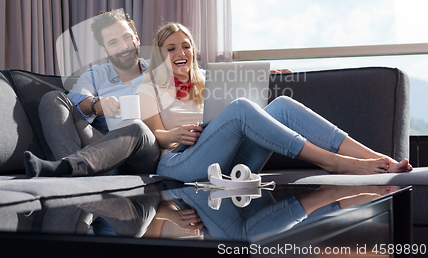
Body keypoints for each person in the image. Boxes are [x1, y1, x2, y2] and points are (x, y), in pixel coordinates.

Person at [136, 22, 413, 183]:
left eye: (185, 45)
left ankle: (378, 158)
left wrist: (264, 75)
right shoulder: (148, 88)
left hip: (230, 165)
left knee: (282, 105)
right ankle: (334, 162)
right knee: (241, 108)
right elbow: (155, 136)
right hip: (179, 163)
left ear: (193, 51)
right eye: (170, 49)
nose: (180, 52)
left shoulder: (209, 80)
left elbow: (237, 98)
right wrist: (175, 134)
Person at [24, 10, 160, 177]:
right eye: (113, 43)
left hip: (144, 150)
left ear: (136, 39)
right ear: (105, 51)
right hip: (103, 148)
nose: (124, 46)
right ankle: (72, 167)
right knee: (53, 99)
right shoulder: (97, 74)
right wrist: (97, 105)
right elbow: (74, 99)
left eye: (126, 37)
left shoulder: (159, 72)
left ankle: (70, 168)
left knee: (135, 126)